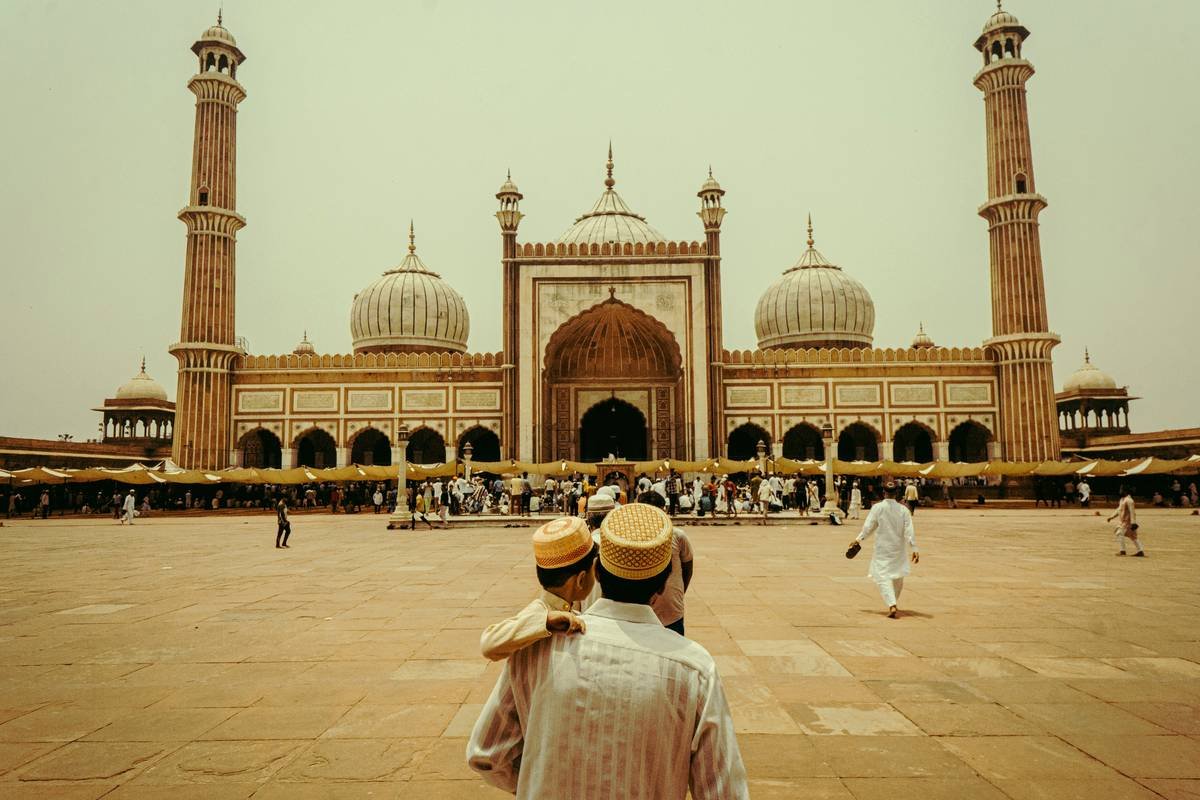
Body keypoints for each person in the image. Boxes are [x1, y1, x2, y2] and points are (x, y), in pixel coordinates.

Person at [467, 503, 748, 799]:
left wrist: (542, 782)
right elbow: (724, 792)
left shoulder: (538, 645)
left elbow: (486, 754)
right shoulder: (694, 669)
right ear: (665, 581)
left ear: (597, 572)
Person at [480, 517, 596, 661]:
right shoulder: (541, 612)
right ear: (581, 580)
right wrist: (545, 621)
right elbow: (488, 644)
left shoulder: (571, 613)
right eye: (593, 570)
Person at [850, 481, 919, 618]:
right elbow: (909, 530)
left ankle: (892, 604)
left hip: (882, 548)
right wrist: (914, 548)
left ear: (883, 493)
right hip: (898, 549)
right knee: (898, 576)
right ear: (897, 494)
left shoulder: (878, 508)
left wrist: (859, 539)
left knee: (883, 576)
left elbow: (869, 526)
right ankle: (893, 602)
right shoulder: (904, 510)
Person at [650, 519, 694, 636]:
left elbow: (688, 569)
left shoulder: (677, 535)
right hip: (645, 610)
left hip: (671, 610)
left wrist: (678, 593)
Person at [1107, 486, 1144, 556]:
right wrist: (1111, 517)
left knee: (1119, 533)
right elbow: (1118, 510)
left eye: (1121, 490)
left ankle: (1122, 551)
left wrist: (1133, 523)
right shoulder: (1122, 500)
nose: (1120, 491)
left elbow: (1132, 512)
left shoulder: (1129, 501)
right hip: (1123, 521)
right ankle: (1140, 551)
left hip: (1128, 522)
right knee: (1133, 536)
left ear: (1126, 491)